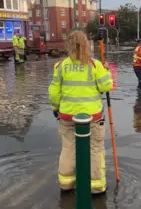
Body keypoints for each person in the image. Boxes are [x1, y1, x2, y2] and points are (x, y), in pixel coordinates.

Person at [48, 30, 113, 194]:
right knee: (95, 150)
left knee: (68, 149)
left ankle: (66, 184)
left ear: (68, 45)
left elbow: (54, 92)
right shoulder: (94, 64)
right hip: (93, 118)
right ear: (86, 45)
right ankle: (96, 187)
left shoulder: (61, 66)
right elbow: (106, 86)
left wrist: (56, 109)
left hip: (68, 116)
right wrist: (106, 71)